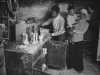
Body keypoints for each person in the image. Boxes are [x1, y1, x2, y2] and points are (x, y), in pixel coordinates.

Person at [67, 8, 89, 73]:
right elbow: (71, 27)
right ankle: (71, 65)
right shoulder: (77, 21)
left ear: (86, 15)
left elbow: (82, 31)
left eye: (83, 14)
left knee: (78, 54)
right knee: (71, 53)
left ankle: (79, 68)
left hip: (79, 40)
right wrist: (70, 31)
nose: (81, 15)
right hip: (72, 39)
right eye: (81, 14)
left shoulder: (86, 24)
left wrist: (74, 31)